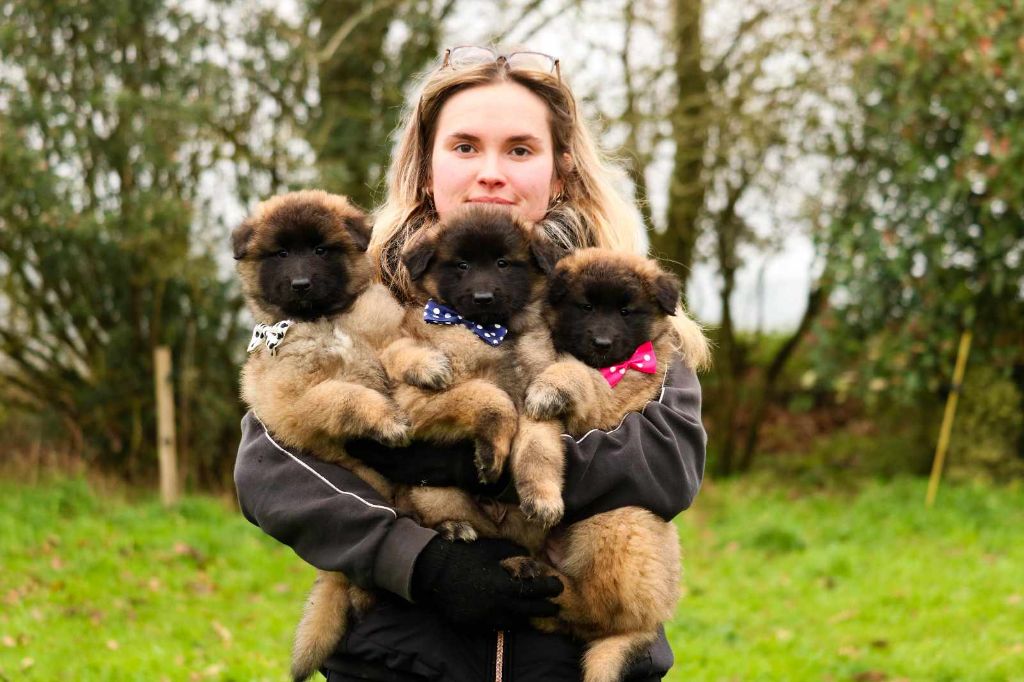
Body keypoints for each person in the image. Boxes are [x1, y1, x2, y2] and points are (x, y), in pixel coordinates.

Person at [234, 45, 709, 682]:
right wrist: (420, 562)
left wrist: (481, 466)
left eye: (519, 149)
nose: (491, 171)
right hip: (399, 658)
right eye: (464, 147)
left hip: (572, 657)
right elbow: (272, 469)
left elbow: (669, 462)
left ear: (559, 170)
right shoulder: (357, 293)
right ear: (427, 169)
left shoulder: (611, 297)